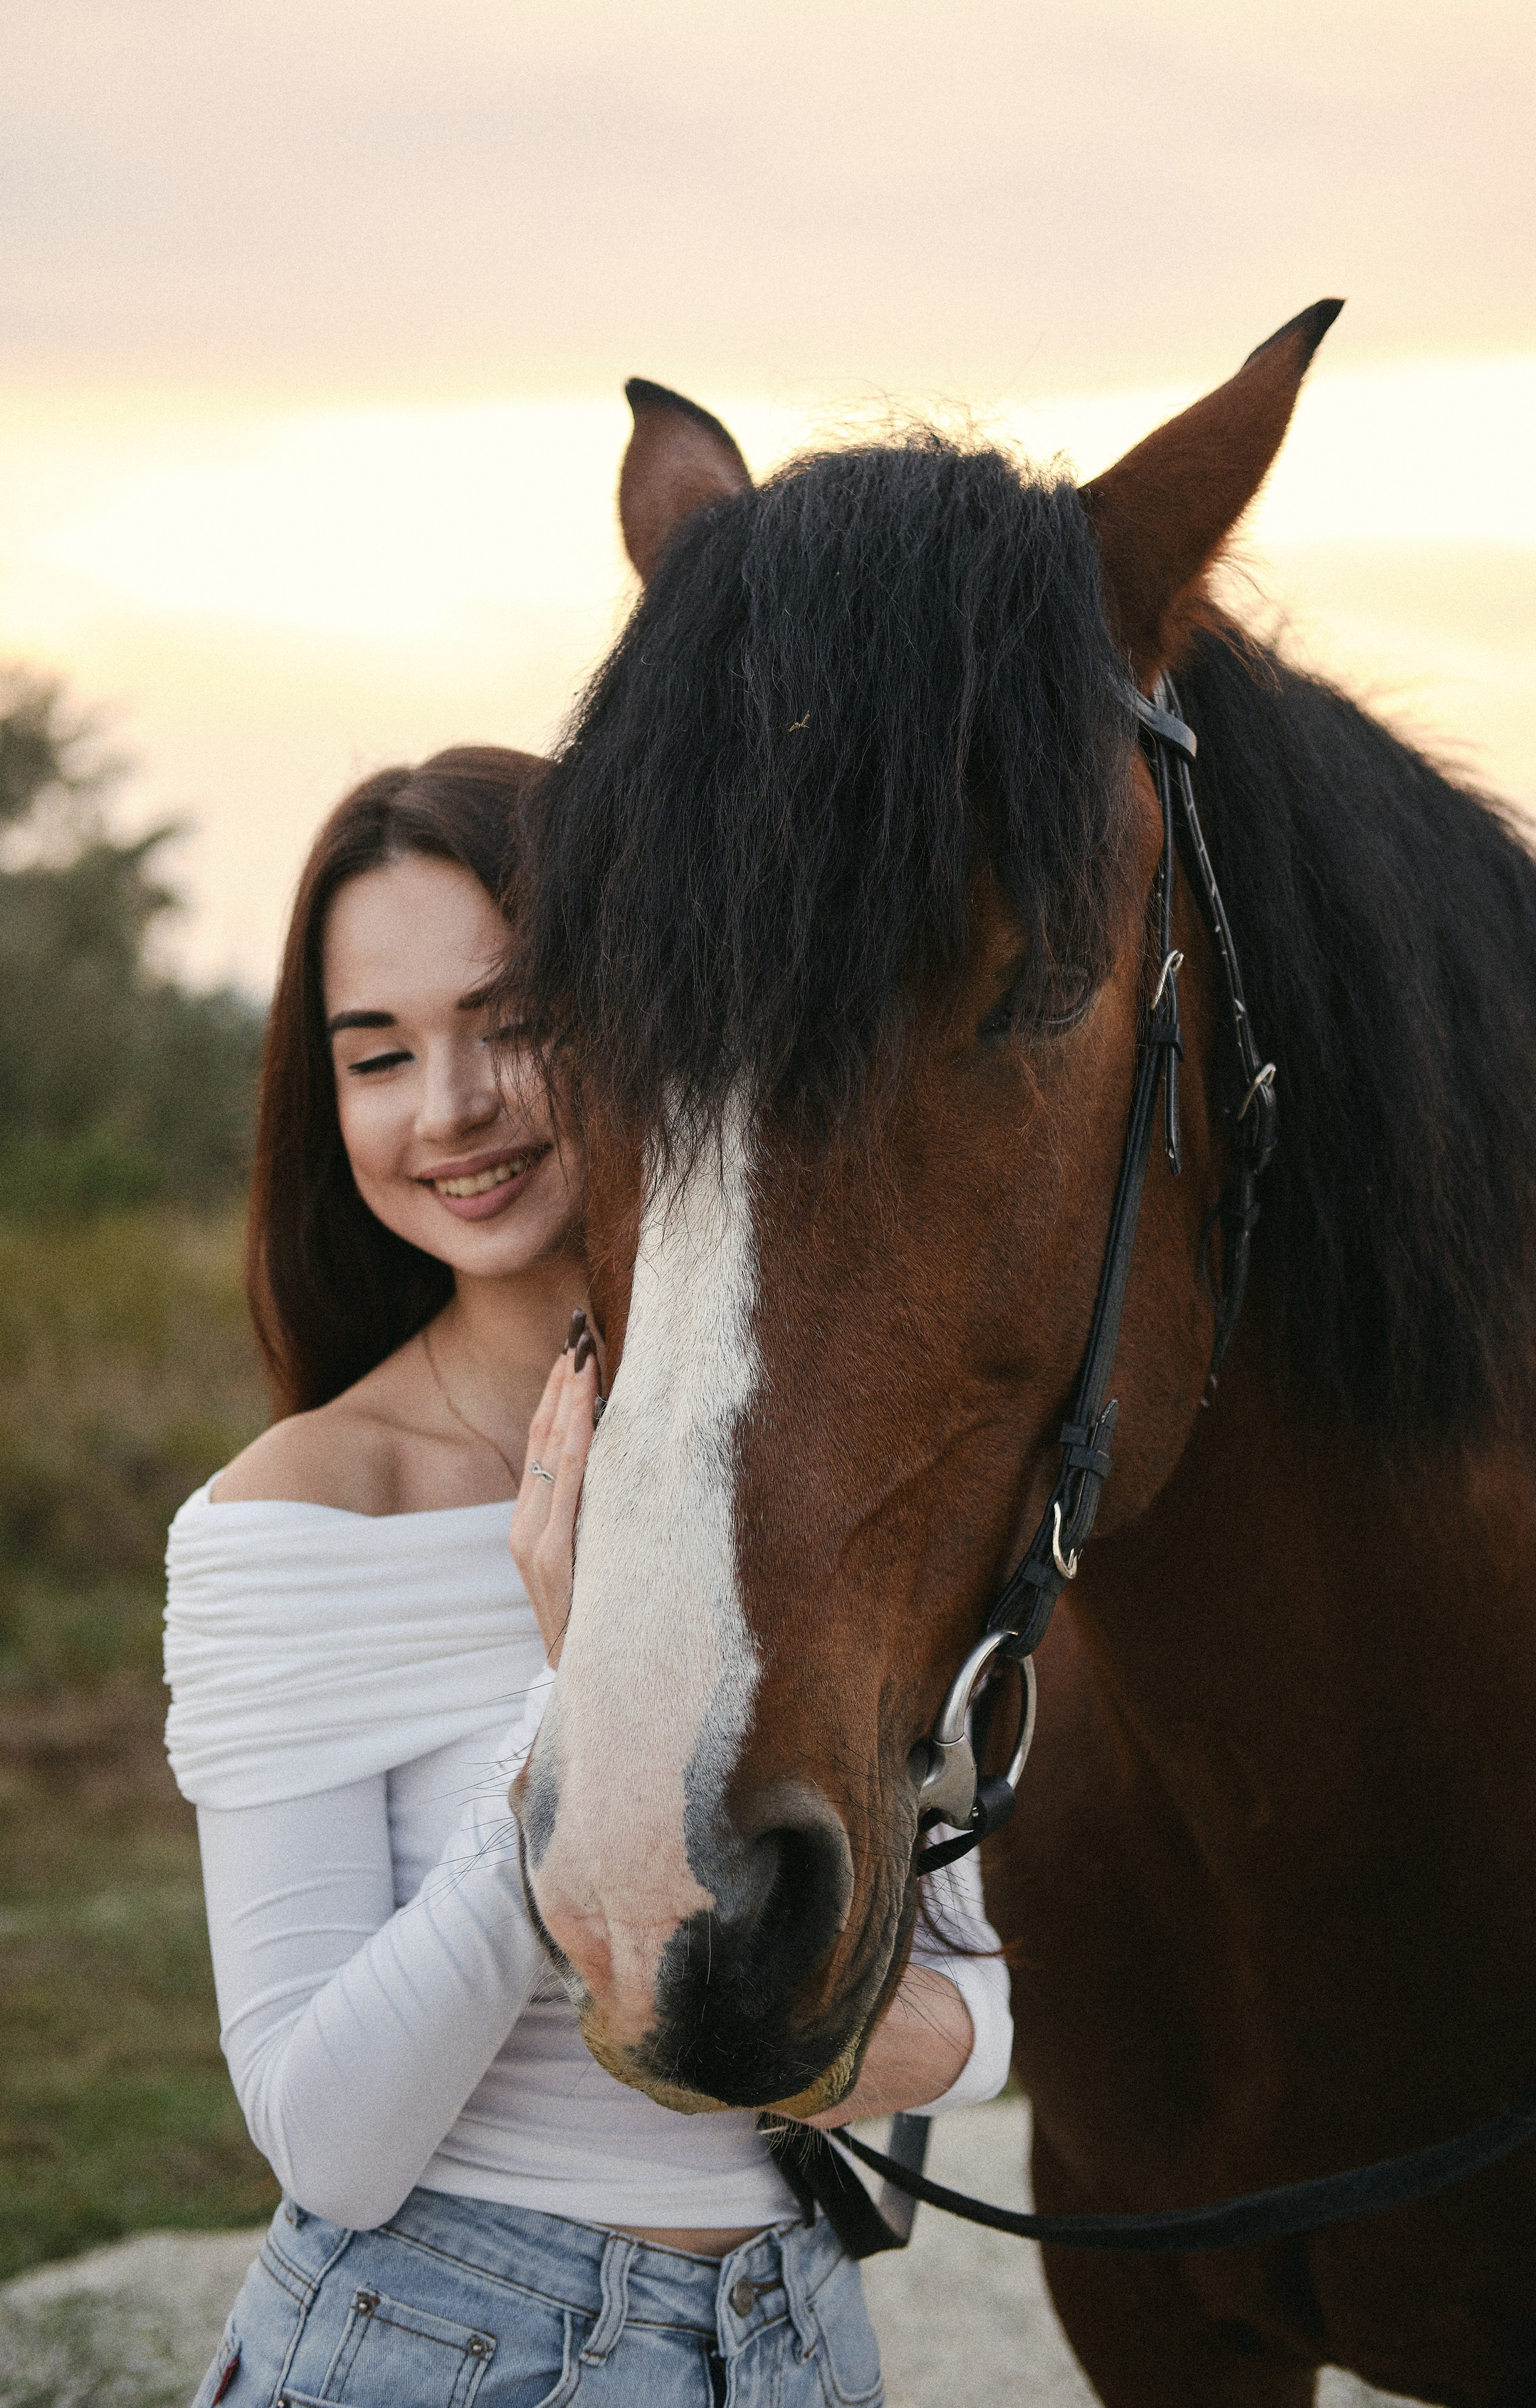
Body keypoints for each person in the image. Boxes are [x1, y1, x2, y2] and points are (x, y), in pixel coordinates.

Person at [164, 746, 1012, 2408]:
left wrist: (808, 2034)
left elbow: (982, 2008)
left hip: (802, 2337)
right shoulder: (298, 1517)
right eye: (378, 1056)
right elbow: (327, 2140)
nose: (449, 1106)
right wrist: (589, 1700)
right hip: (442, 2346)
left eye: (515, 1021)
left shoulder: (825, 1476)